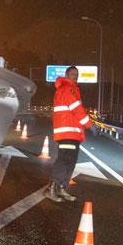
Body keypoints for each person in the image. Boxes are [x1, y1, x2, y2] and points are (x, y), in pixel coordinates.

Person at [45, 66, 93, 202]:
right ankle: (51, 189)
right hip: (67, 133)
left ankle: (61, 187)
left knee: (70, 161)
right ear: (66, 75)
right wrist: (90, 125)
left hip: (73, 133)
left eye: (76, 74)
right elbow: (77, 109)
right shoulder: (67, 89)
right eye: (72, 74)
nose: (75, 76)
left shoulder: (73, 90)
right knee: (64, 160)